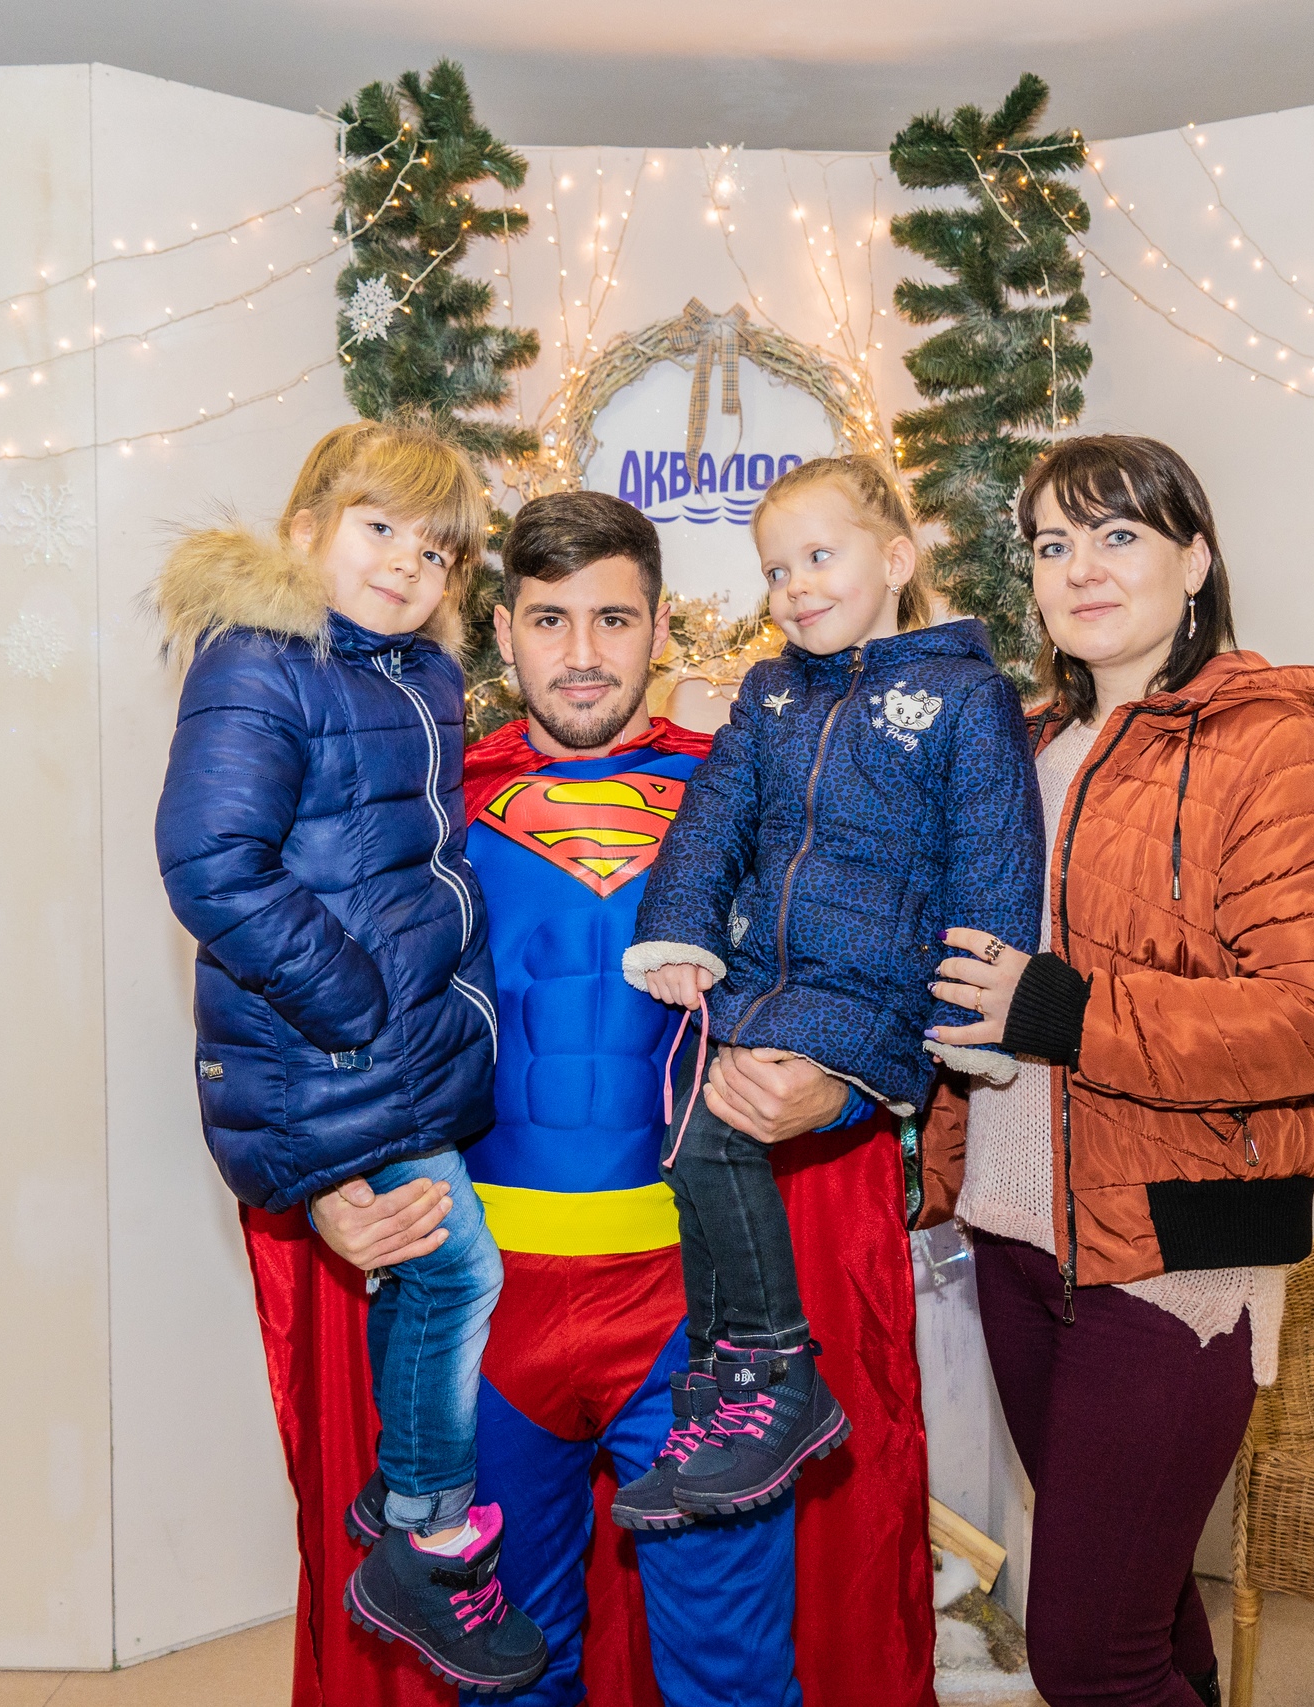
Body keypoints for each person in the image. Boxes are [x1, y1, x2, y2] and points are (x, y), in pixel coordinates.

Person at [252, 489, 938, 1707]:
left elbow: (871, 993)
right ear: (500, 631)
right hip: (485, 1314)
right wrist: (325, 1192)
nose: (581, 654)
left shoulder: (754, 797)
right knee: (510, 1671)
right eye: (548, 619)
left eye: (613, 619)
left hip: (698, 1312)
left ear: (661, 627)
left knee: (732, 1674)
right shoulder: (418, 808)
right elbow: (304, 1019)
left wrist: (832, 1094)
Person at [920, 435, 1314, 1707]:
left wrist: (1060, 1010)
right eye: (1052, 544)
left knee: (1085, 1654)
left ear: (1193, 561)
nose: (1080, 569)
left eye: (1117, 534)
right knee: (1148, 1612)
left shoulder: (1264, 742)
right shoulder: (1014, 747)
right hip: (1014, 1242)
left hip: (1173, 1259)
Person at [153, 421, 546, 1696]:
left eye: (436, 552)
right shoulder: (260, 660)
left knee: (435, 1279)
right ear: (305, 526)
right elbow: (211, 863)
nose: (405, 566)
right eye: (380, 529)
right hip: (330, 1055)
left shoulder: (409, 675)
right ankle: (425, 1536)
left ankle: (396, 1497)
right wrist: (358, 1003)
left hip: (392, 1053)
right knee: (459, 1275)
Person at [617, 454, 1044, 1529]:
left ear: (895, 560)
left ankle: (777, 1372)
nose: (794, 586)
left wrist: (972, 1021)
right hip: (772, 980)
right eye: (775, 570)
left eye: (818, 556)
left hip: (876, 985)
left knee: (717, 1140)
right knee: (688, 1135)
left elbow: (994, 858)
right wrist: (679, 930)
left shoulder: (963, 695)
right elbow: (712, 821)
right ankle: (723, 1390)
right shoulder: (770, 695)